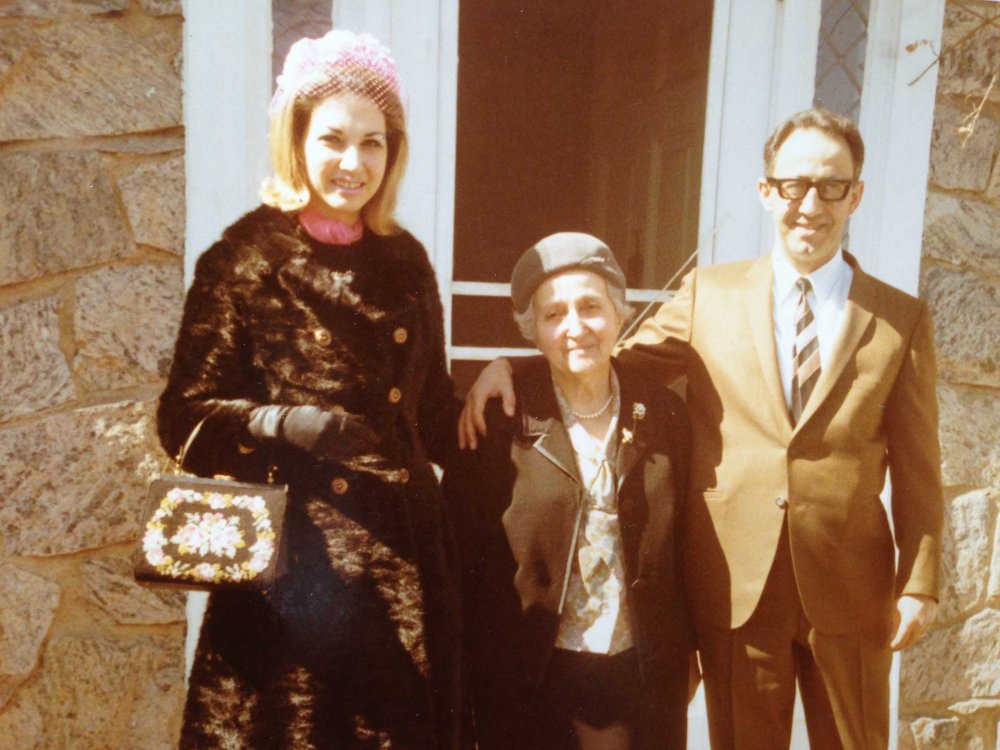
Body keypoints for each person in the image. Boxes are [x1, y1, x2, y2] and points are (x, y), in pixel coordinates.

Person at [459, 108, 943, 749]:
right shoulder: (709, 295)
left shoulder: (898, 318)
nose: (811, 204)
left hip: (851, 587)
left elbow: (918, 466)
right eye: (794, 184)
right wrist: (513, 366)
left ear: (856, 194)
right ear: (766, 191)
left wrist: (921, 582)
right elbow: (606, 355)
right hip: (738, 586)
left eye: (831, 186)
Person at [158, 29, 463, 749]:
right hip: (292, 577)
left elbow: (436, 408)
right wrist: (280, 423)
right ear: (295, 138)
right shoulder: (244, 259)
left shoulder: (407, 261)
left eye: (373, 142)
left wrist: (510, 382)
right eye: (332, 139)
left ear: (394, 152)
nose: (353, 163)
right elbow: (182, 418)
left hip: (405, 570)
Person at [444, 233, 694, 750]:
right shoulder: (500, 419)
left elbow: (688, 547)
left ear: (621, 313)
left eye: (591, 308)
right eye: (553, 314)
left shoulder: (665, 414)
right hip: (532, 679)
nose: (575, 328)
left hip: (640, 674)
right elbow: (463, 559)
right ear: (531, 330)